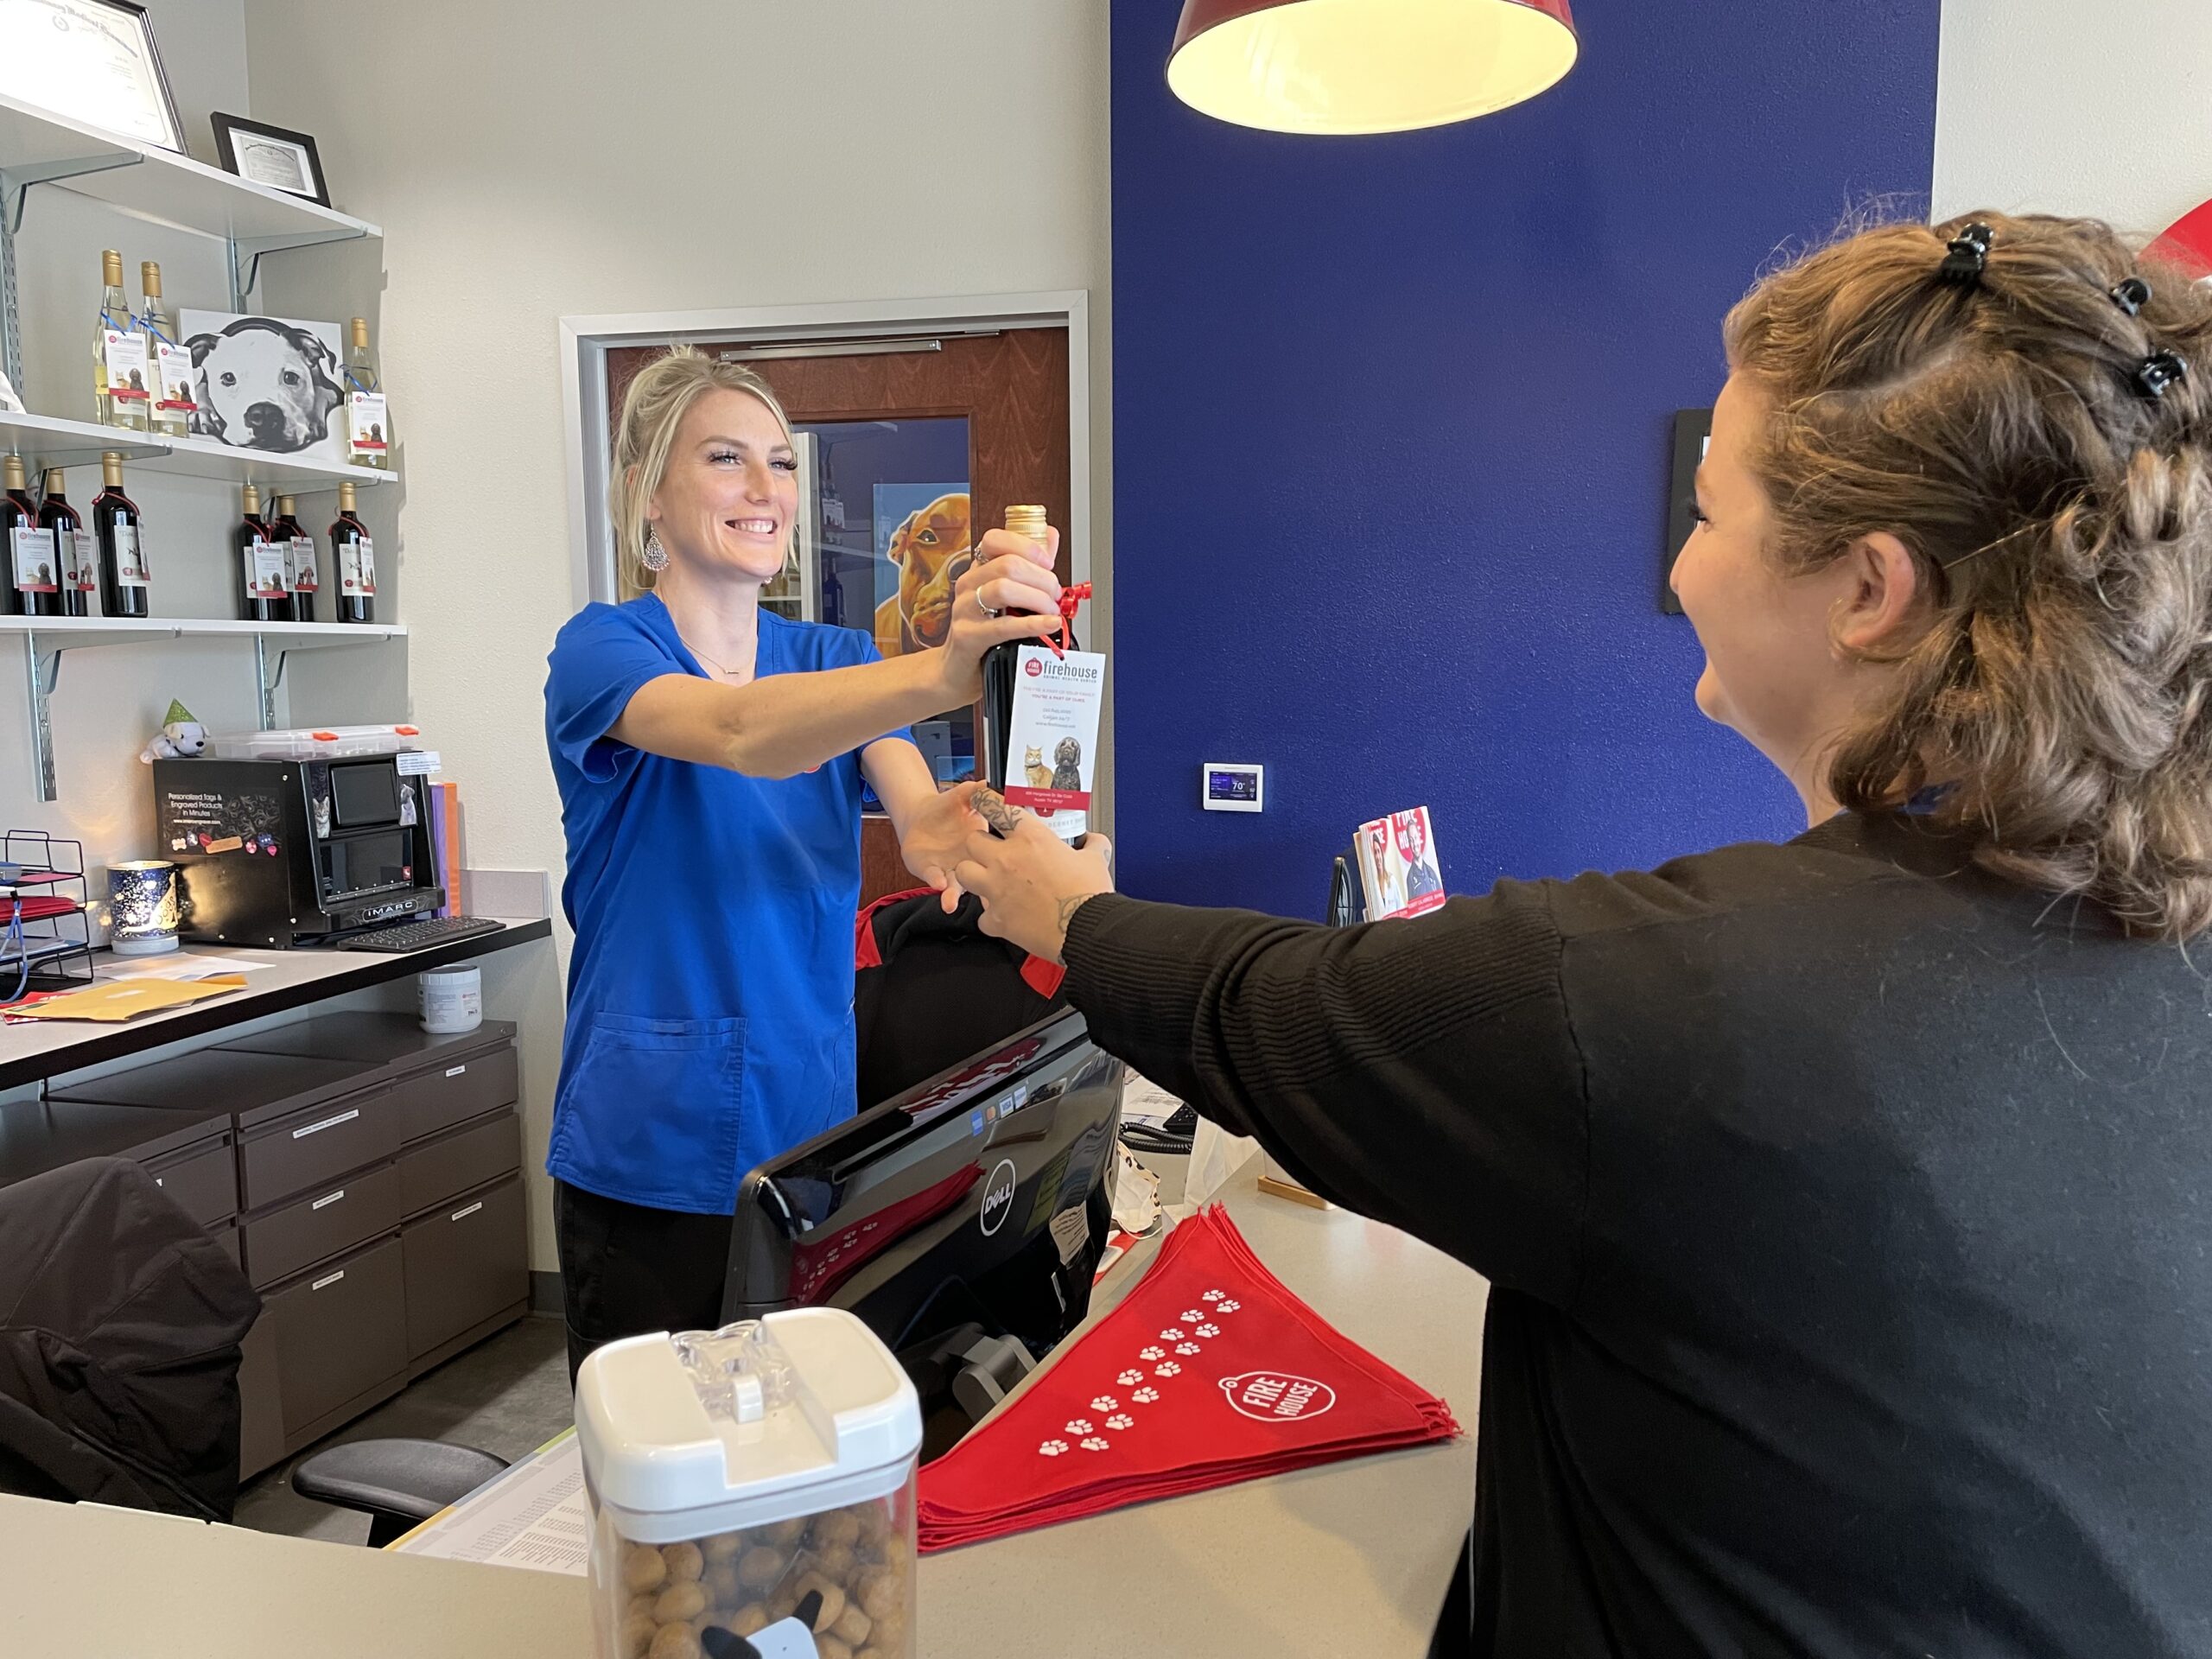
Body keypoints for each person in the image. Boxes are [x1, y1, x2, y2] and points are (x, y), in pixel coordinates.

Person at [954, 213, 2212, 1656]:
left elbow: (1274, 1007)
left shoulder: (1671, 1006)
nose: (1681, 567)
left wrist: (1062, 911)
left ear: (1870, 592)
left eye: (1710, 513)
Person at [544, 346, 1060, 1375]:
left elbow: (915, 812)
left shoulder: (837, 659)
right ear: (648, 493)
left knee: (802, 1441)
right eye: (724, 458)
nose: (765, 488)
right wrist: (943, 667)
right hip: (650, 1148)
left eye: (781, 463)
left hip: (808, 1137)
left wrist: (975, 832)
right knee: (667, 1454)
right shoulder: (601, 651)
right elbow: (739, 731)